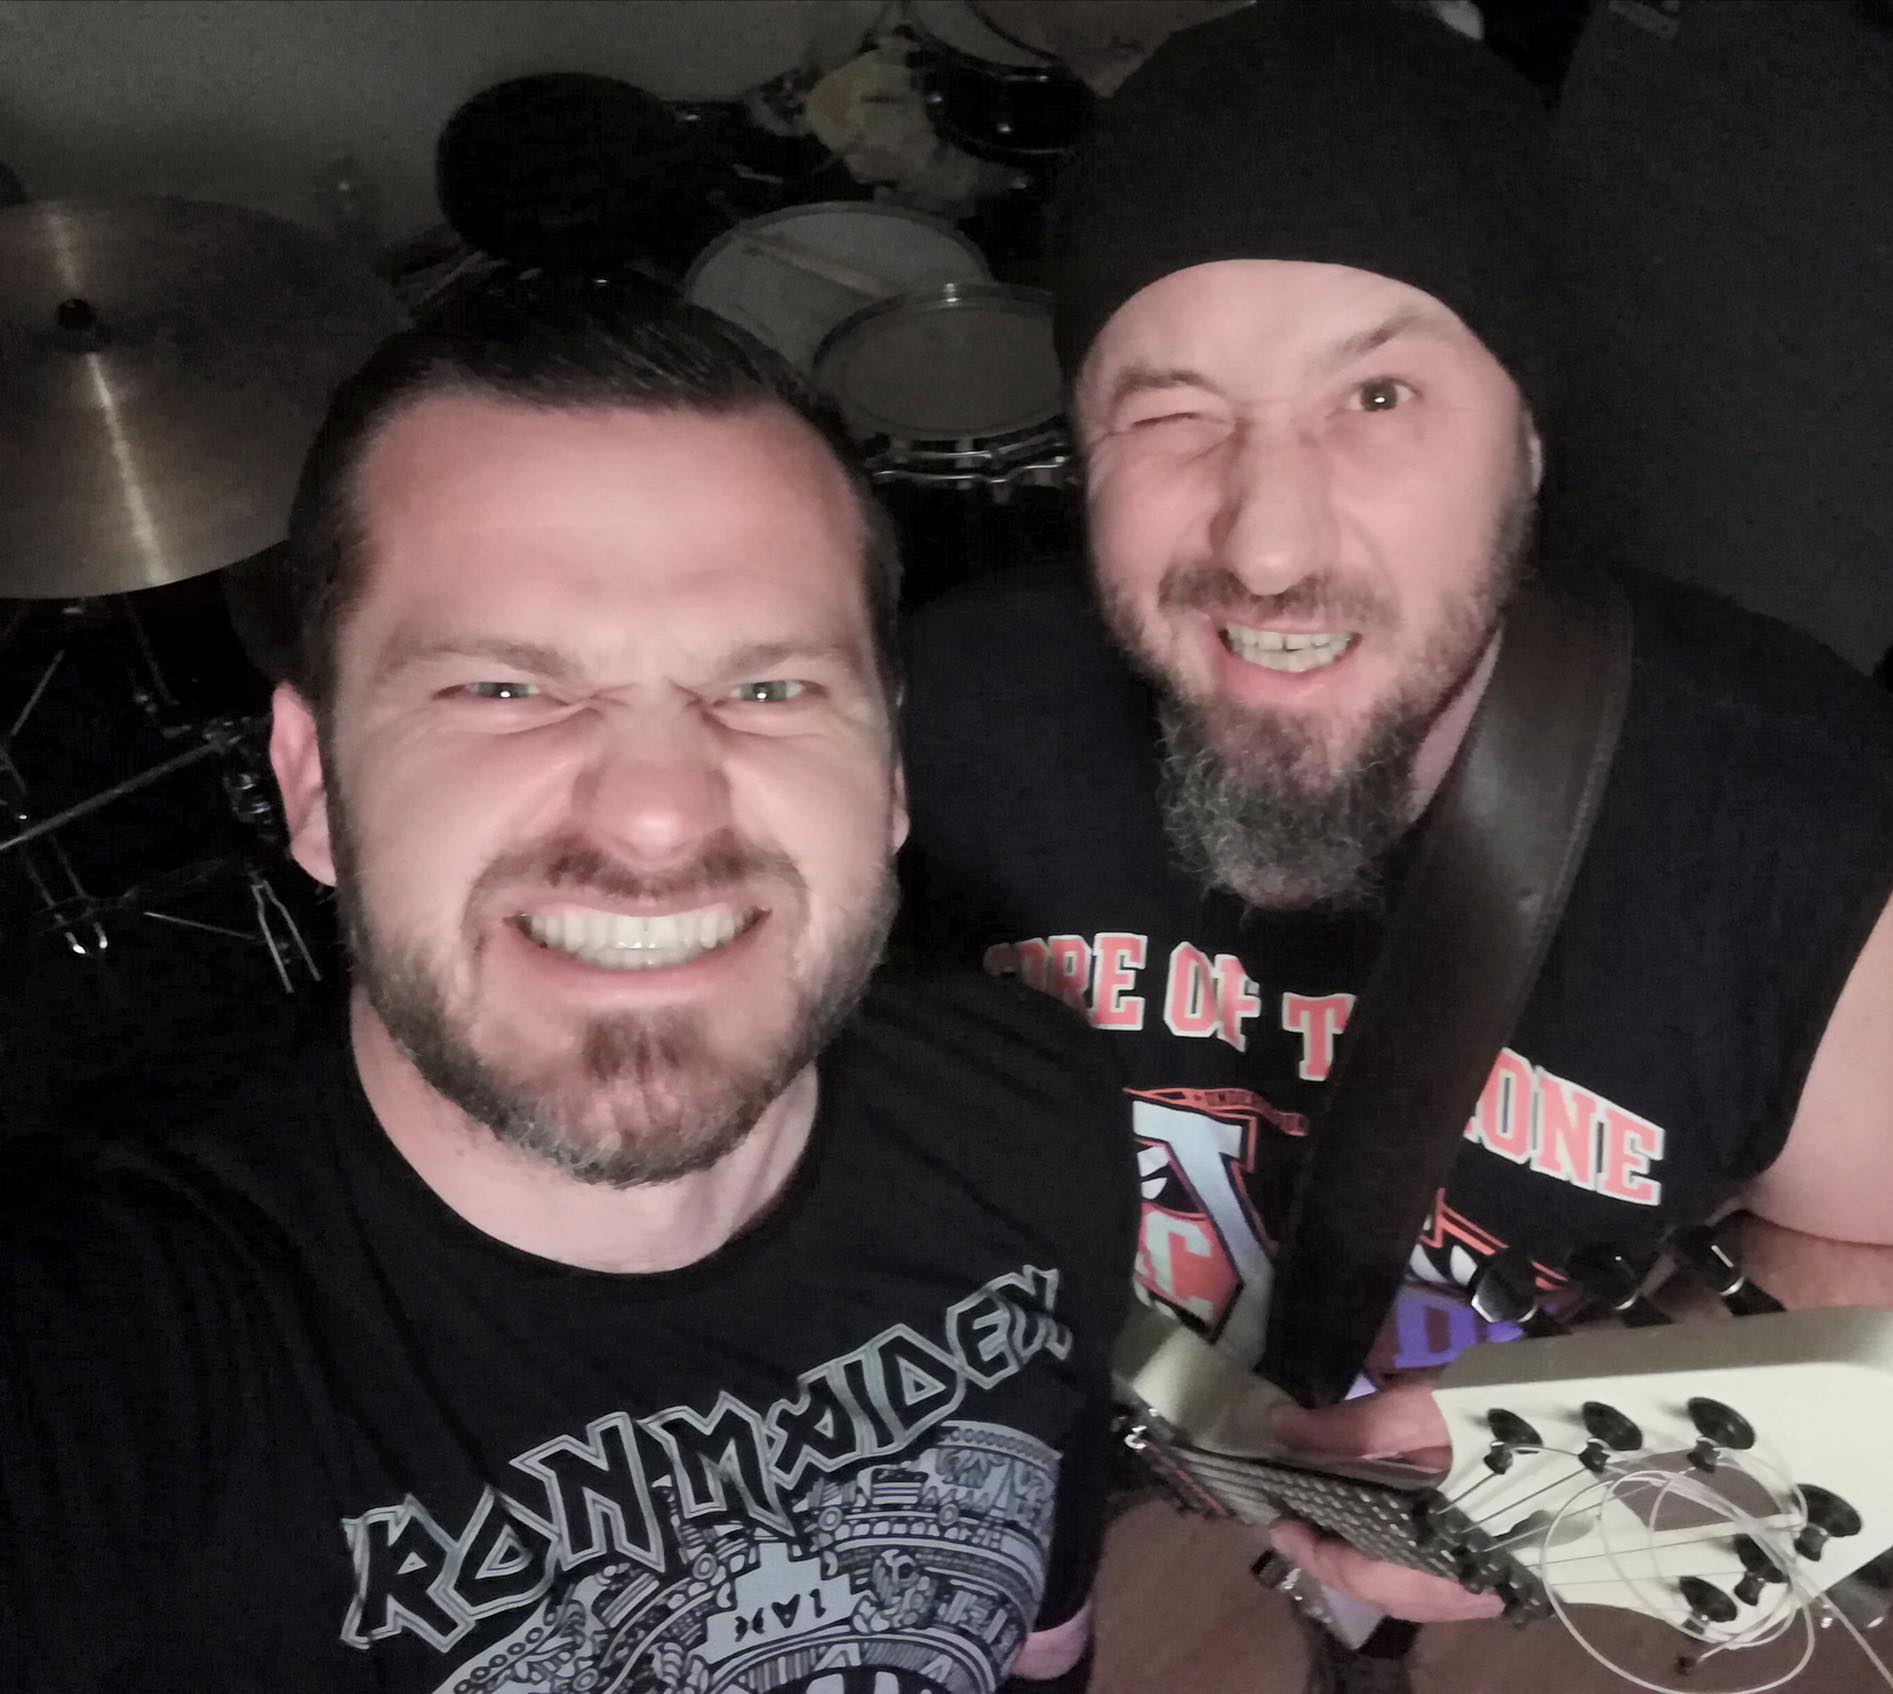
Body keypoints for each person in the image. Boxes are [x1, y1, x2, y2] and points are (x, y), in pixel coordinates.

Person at [899, 0, 1893, 1656]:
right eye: (1169, 410)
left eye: (1380, 395)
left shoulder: (1817, 847)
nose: (1268, 546)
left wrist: (1572, 1444)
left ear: (1528, 439)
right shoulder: (926, 727)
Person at [0, 283, 1130, 1693]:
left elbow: (1039, 1636)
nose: (656, 815)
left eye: (769, 690)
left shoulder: (1034, 1111)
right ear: (313, 783)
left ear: (890, 773)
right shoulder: (98, 1358)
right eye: (504, 690)